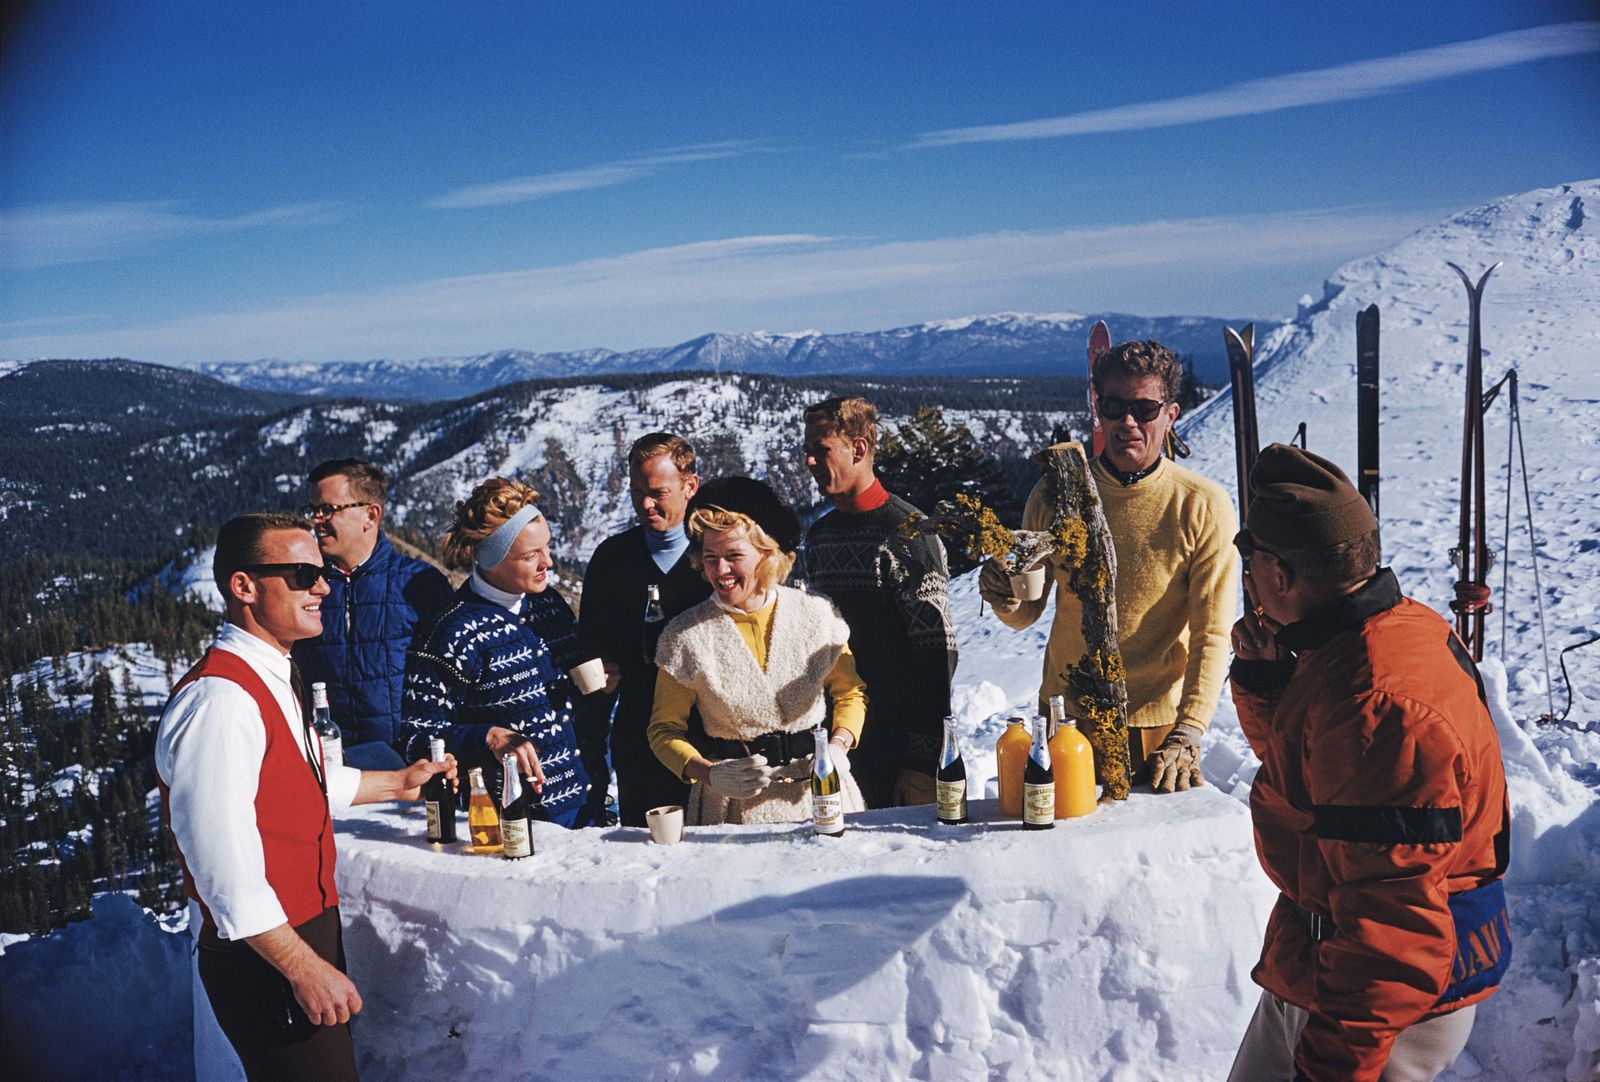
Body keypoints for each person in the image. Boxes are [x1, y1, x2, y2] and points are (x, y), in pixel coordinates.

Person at [1226, 444, 1511, 1082]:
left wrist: (1331, 1068)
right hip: (1330, 964)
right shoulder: (1389, 634)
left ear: (1278, 573)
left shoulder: (1378, 706)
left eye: (1252, 566)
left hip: (1377, 1004)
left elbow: (1395, 934)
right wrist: (1267, 683)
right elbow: (1318, 790)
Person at [156, 512, 457, 1081]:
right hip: (265, 956)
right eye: (300, 574)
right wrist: (303, 968)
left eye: (320, 573)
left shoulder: (271, 674)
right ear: (243, 586)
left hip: (293, 940)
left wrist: (399, 783)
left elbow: (302, 780)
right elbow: (224, 871)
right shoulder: (220, 703)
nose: (322, 586)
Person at [979, 339, 1237, 791]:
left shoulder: (1201, 505)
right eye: (1115, 406)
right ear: (1098, 409)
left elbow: (1212, 633)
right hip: (1064, 719)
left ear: (1171, 414)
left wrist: (1189, 730)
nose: (1128, 422)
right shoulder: (1056, 492)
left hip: (1154, 732)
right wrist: (1002, 594)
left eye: (1145, 408)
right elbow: (1026, 612)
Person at [398, 477, 605, 825]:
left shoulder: (549, 606)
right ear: (492, 560)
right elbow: (416, 737)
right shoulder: (452, 632)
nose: (548, 563)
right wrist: (488, 737)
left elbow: (559, 694)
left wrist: (597, 684)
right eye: (531, 555)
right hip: (513, 821)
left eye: (548, 548)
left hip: (585, 803)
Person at [648, 499, 868, 825]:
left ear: (766, 554)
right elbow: (663, 731)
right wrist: (708, 773)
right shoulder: (683, 635)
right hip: (731, 808)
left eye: (733, 556)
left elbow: (851, 694)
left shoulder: (817, 614)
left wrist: (838, 748)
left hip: (820, 794)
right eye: (710, 558)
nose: (720, 570)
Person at [801, 395, 957, 807]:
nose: (810, 463)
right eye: (807, 452)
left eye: (821, 451)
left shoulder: (910, 536)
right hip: (838, 740)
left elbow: (938, 655)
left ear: (859, 448)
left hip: (900, 746)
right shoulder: (820, 537)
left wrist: (924, 759)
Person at [577, 433, 710, 826]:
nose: (645, 504)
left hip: (709, 734)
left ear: (691, 486)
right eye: (637, 492)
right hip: (638, 736)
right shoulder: (612, 558)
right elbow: (589, 644)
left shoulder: (715, 554)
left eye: (657, 492)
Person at [292, 459, 453, 769]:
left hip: (410, 768)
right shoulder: (303, 584)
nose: (316, 520)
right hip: (329, 768)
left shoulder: (420, 585)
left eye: (328, 510)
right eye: (313, 510)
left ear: (371, 514)